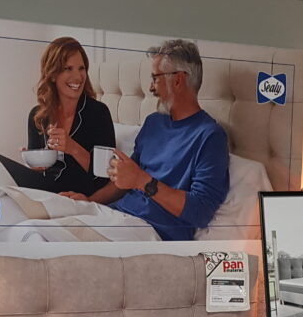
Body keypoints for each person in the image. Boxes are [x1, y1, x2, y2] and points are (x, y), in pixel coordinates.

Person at [63, 40, 229, 241]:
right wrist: (89, 201)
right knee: (34, 224)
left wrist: (142, 181)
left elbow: (201, 212)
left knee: (52, 240)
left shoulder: (210, 137)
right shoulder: (153, 122)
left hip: (152, 231)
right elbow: (125, 181)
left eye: (155, 78)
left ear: (178, 80)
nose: (151, 87)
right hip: (117, 216)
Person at [0, 37, 115, 196]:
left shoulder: (99, 113)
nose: (78, 77)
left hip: (76, 194)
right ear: (52, 75)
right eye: (68, 69)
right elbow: (38, 172)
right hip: (44, 192)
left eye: (81, 68)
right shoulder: (37, 116)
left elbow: (106, 176)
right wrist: (34, 165)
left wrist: (73, 148)